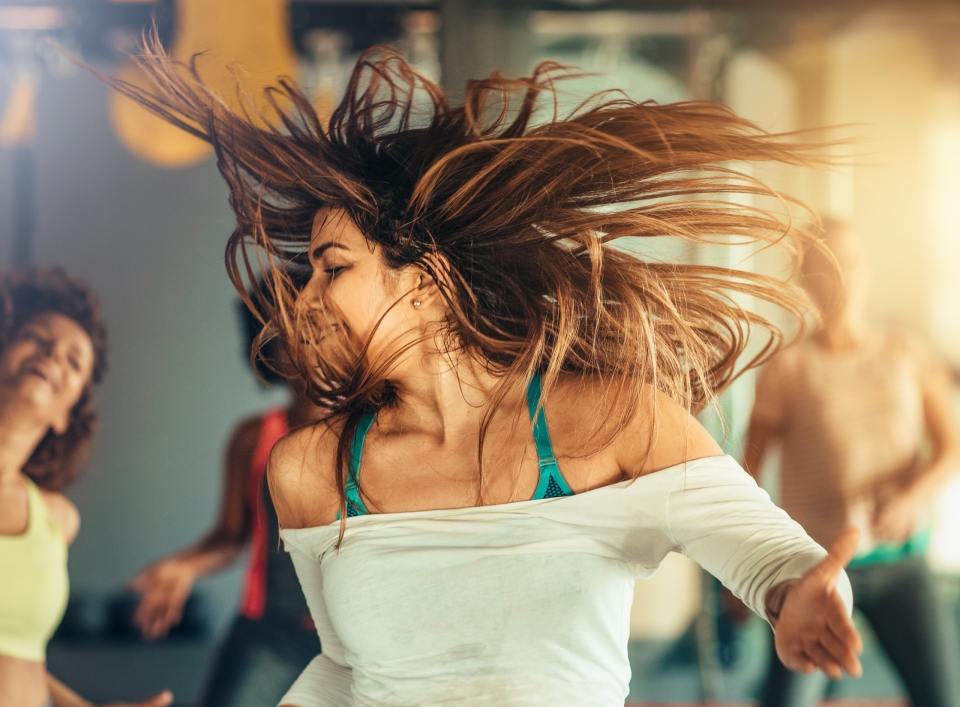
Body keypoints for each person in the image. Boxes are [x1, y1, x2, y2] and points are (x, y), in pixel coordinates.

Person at [89, 40, 866, 707]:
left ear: (425, 280)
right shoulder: (312, 469)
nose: (309, 301)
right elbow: (351, 671)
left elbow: (772, 560)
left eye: (332, 269)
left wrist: (798, 600)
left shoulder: (614, 421)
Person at [744, 219, 960, 707]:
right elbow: (748, 473)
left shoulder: (906, 353)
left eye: (853, 262)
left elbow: (951, 448)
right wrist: (736, 574)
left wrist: (912, 497)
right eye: (827, 265)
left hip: (901, 563)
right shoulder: (788, 369)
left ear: (867, 271)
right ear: (806, 279)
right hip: (816, 568)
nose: (843, 276)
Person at [129, 289, 326, 707]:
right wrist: (184, 566)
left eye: (316, 323)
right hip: (269, 632)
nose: (309, 338)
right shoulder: (253, 437)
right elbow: (229, 536)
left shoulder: (379, 432)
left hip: (355, 640)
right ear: (268, 355)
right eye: (289, 332)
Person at [0, 266, 172, 707]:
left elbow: (22, 662)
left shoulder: (56, 520)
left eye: (73, 360)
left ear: (66, 413)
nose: (54, 353)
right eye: (37, 337)